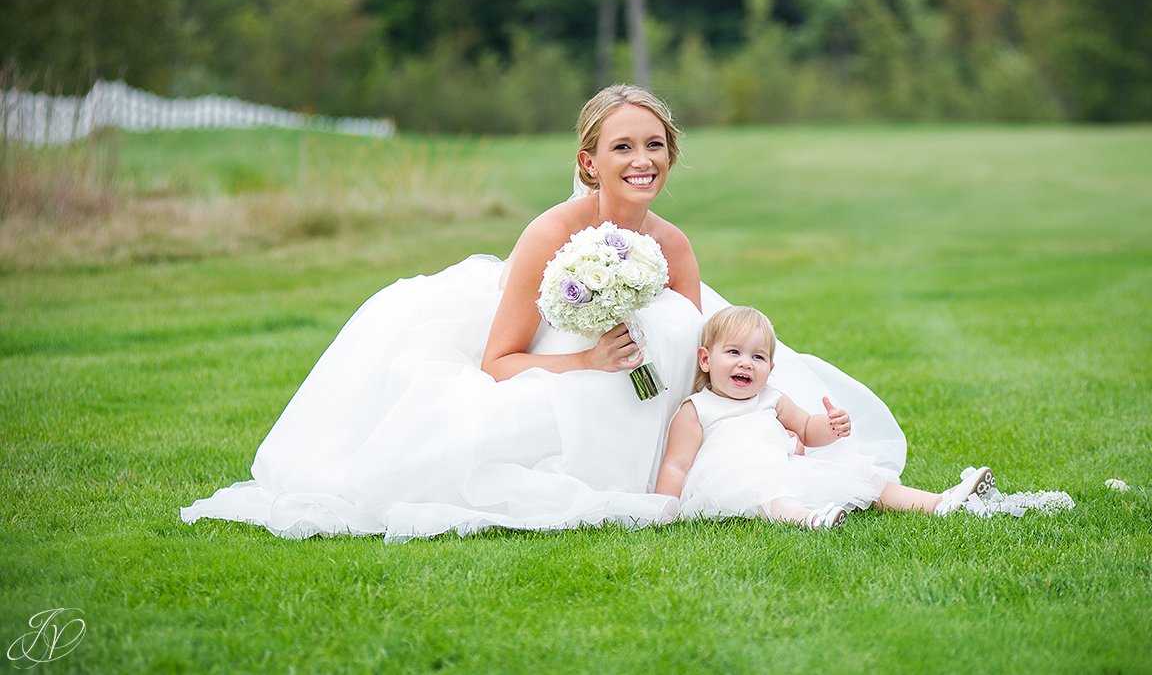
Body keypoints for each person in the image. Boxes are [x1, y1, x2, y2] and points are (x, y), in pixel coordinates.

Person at [181, 85, 909, 542]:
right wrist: (588, 361)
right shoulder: (552, 235)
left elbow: (696, 359)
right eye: (623, 146)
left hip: (656, 402)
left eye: (655, 146)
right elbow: (499, 363)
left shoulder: (674, 245)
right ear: (590, 161)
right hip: (561, 378)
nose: (642, 159)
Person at [655, 306, 995, 529]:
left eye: (758, 357)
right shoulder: (697, 408)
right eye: (733, 353)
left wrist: (830, 428)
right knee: (768, 495)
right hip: (731, 479)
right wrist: (665, 508)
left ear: (770, 369)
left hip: (785, 466)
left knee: (864, 477)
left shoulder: (771, 399)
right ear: (705, 359)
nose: (746, 363)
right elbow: (676, 465)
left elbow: (805, 427)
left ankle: (937, 503)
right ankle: (810, 520)